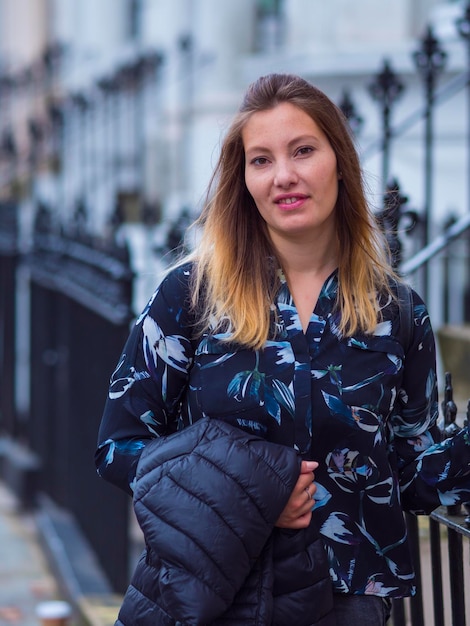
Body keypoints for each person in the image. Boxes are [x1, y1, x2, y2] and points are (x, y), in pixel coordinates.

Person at [95, 73, 470, 626]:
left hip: (350, 596)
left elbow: (409, 472)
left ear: (338, 161)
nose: (285, 176)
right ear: (243, 179)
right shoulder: (190, 296)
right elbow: (117, 447)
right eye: (262, 160)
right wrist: (253, 493)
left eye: (303, 151)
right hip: (224, 591)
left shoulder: (397, 312)